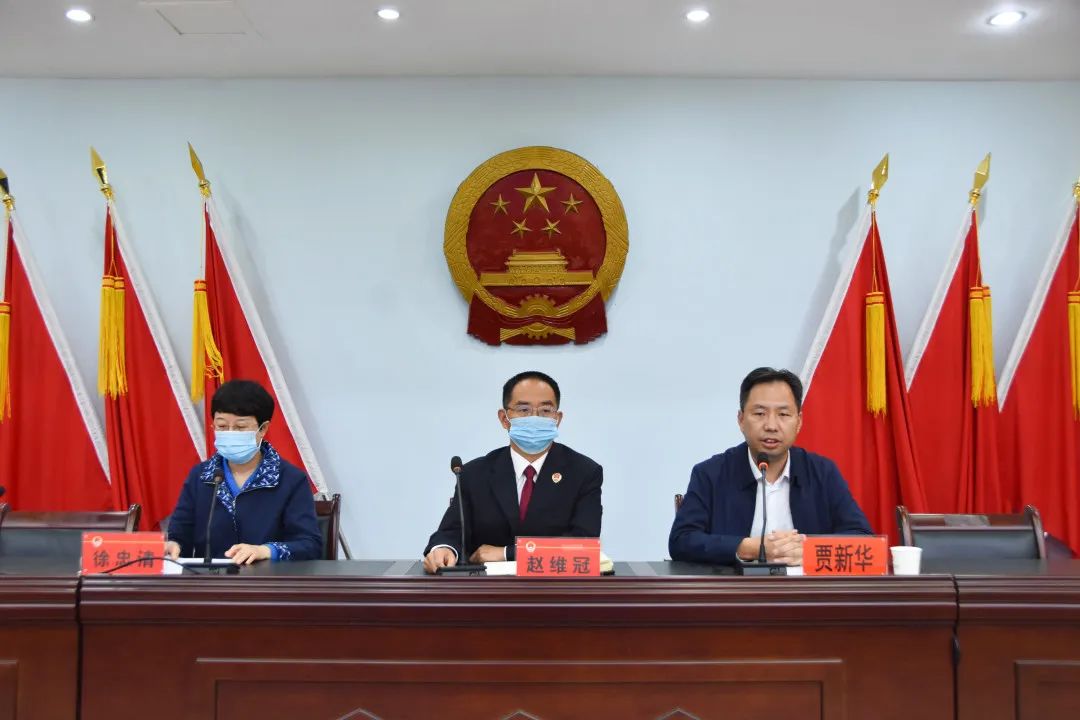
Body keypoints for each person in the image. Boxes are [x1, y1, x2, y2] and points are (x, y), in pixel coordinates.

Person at [669, 367, 872, 566]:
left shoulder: (823, 473)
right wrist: (749, 548)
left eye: (783, 414)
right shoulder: (710, 474)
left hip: (805, 588)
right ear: (741, 420)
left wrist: (809, 550)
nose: (771, 426)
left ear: (799, 422)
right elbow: (682, 540)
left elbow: (863, 538)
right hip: (734, 587)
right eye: (759, 413)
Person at [423, 371, 602, 574]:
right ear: (504, 419)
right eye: (524, 409)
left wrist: (507, 553)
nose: (534, 418)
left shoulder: (584, 473)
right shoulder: (474, 474)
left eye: (545, 410)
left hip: (556, 587)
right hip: (486, 588)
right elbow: (452, 531)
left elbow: (583, 543)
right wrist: (444, 549)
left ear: (557, 418)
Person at [166, 380, 322, 564]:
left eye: (240, 427)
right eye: (222, 426)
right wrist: (173, 545)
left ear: (263, 429)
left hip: (267, 578)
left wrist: (265, 550)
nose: (230, 433)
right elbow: (180, 534)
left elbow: (309, 544)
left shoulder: (291, 480)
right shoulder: (200, 476)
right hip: (210, 579)